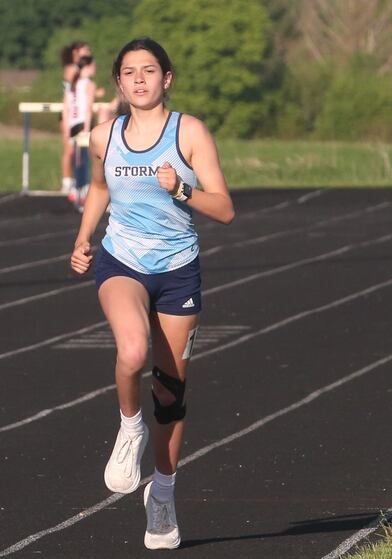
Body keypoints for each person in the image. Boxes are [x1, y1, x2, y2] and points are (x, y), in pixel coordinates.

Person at [69, 37, 235, 550]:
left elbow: (225, 208)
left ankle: (162, 493)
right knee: (132, 350)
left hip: (178, 269)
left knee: (171, 392)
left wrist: (180, 189)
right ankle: (128, 427)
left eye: (149, 71)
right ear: (118, 83)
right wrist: (82, 237)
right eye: (128, 72)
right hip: (123, 260)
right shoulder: (104, 136)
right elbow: (99, 187)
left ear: (167, 78)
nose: (139, 79)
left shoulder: (189, 132)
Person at [60, 42, 92, 197]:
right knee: (70, 149)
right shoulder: (72, 69)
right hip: (70, 114)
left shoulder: (85, 77)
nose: (87, 52)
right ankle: (67, 182)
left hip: (77, 113)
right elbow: (70, 86)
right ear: (76, 52)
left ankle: (79, 183)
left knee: (81, 151)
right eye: (85, 50)